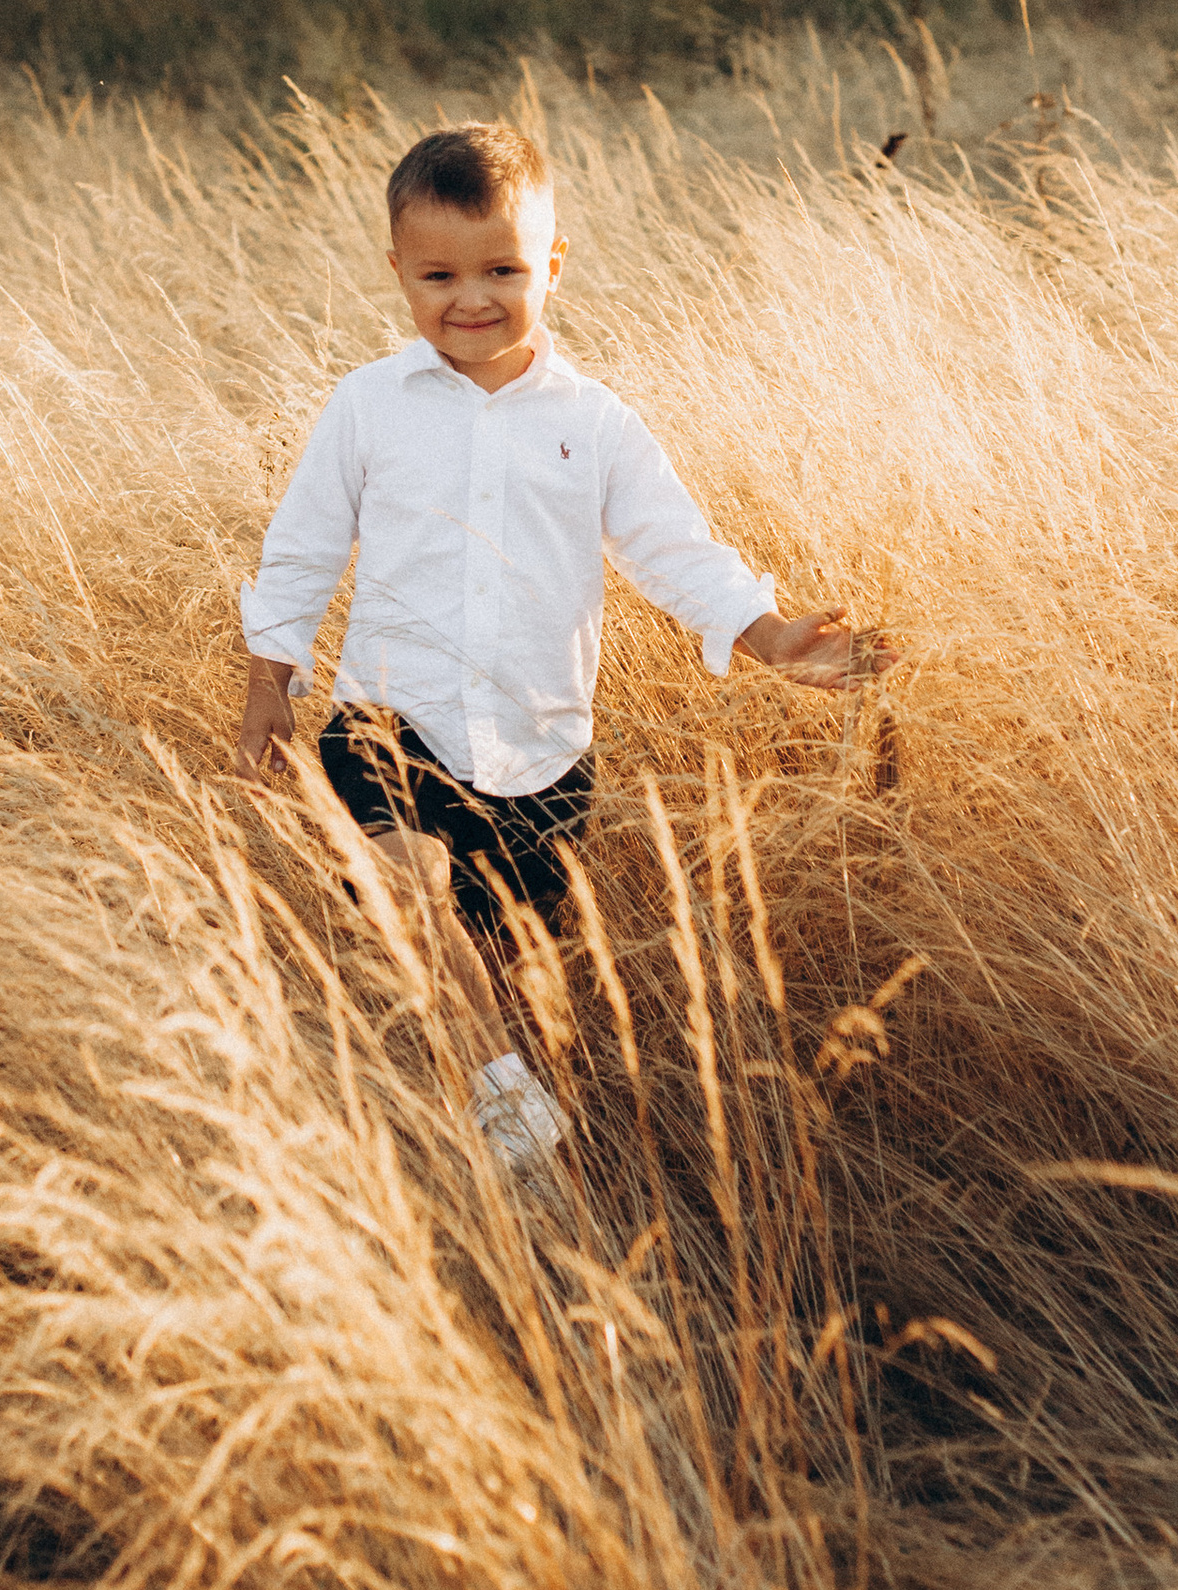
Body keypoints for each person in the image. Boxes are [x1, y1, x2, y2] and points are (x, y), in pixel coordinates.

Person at [234, 118, 888, 1170]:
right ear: (396, 269)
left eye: (501, 268)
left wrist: (769, 636)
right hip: (387, 723)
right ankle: (506, 1112)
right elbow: (302, 549)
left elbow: (675, 551)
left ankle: (516, 1169)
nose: (471, 298)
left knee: (496, 986)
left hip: (540, 754)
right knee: (407, 892)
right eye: (438, 274)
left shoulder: (597, 423)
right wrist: (271, 684)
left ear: (552, 263)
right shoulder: (368, 408)